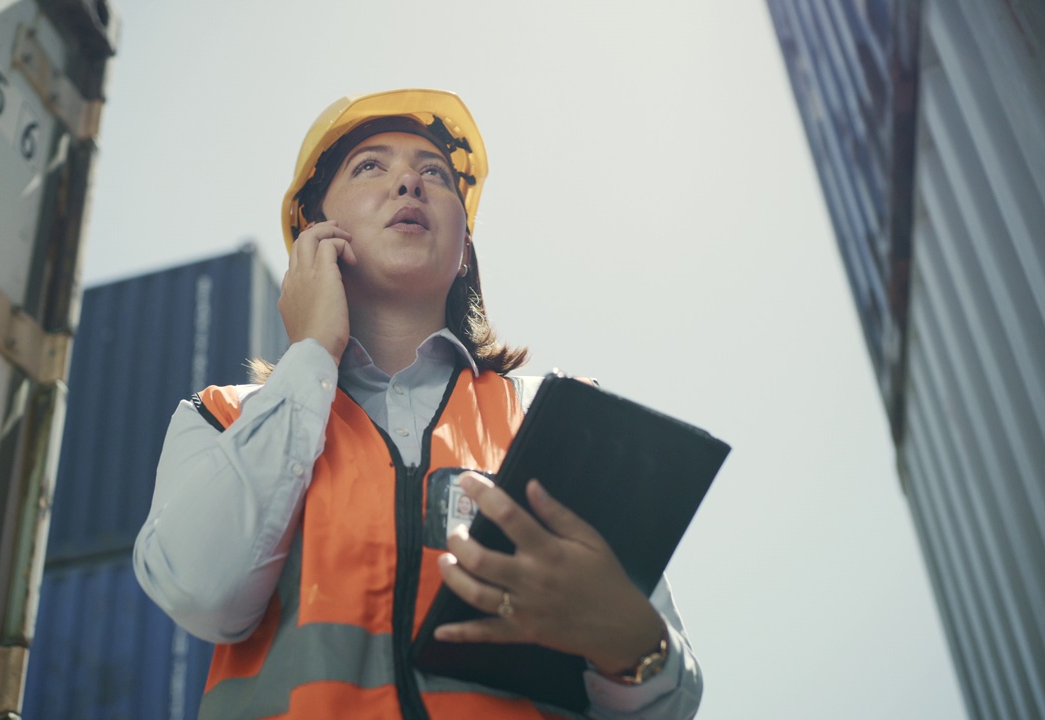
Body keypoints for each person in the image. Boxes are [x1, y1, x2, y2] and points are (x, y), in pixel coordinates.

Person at [133, 89, 702, 719]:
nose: (410, 180)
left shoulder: (560, 423)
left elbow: (668, 701)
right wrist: (312, 354)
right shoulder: (221, 418)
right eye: (370, 166)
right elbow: (202, 594)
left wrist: (629, 643)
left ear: (464, 252)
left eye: (434, 173)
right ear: (311, 235)